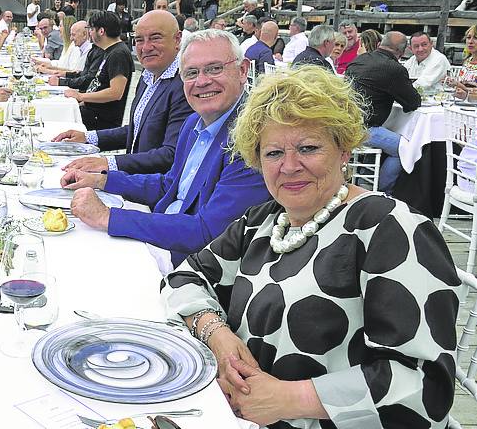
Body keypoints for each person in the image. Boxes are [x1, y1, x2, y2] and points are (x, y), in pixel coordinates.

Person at [164, 65, 459, 429]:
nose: (289, 166)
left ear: (344, 150)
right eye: (273, 153)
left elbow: (424, 389)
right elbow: (184, 278)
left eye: (308, 148)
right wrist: (218, 336)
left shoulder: (389, 228)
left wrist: (289, 399)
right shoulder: (264, 221)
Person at [59, 30, 270, 274]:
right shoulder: (193, 123)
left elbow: (208, 232)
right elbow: (169, 186)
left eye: (214, 69)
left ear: (243, 70)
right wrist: (103, 180)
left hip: (188, 268)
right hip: (159, 238)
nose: (202, 81)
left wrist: (108, 217)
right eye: (191, 73)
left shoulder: (251, 138)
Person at [52, 10, 195, 175]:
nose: (146, 47)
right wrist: (88, 137)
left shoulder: (185, 84)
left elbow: (171, 155)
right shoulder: (148, 75)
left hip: (153, 190)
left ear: (177, 39)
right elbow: (137, 131)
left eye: (155, 38)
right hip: (133, 179)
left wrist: (108, 163)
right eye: (139, 40)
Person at [345, 31, 421, 194]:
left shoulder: (359, 60)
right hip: (364, 129)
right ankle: (383, 192)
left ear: (380, 44)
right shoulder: (394, 69)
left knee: (386, 140)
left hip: (344, 123)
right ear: (401, 52)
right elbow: (413, 103)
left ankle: (364, 182)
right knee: (405, 148)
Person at [58, 10, 134, 130]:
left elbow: (116, 93)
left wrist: (81, 96)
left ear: (101, 31)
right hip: (91, 112)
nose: (90, 34)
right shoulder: (108, 51)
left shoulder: (118, 54)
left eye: (91, 29)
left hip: (100, 120)